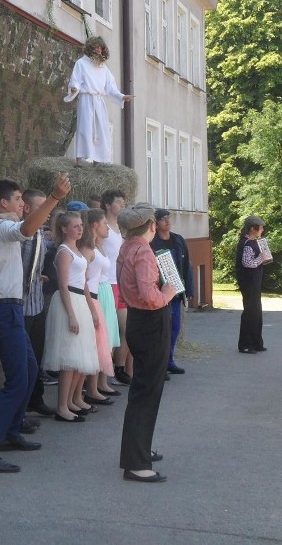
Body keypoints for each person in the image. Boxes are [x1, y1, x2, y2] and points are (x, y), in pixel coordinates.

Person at [0, 175, 71, 473]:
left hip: (8, 307)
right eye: (17, 200)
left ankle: (10, 433)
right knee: (15, 381)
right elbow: (27, 228)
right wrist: (54, 196)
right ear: (4, 203)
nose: (22, 204)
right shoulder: (1, 227)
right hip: (4, 309)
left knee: (26, 371)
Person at [116, 203, 177, 483]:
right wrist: (167, 292)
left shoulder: (127, 246)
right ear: (151, 225)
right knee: (146, 392)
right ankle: (136, 463)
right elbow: (150, 295)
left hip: (139, 320)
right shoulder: (142, 250)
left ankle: (139, 451)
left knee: (145, 389)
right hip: (150, 320)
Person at [43, 210, 101, 421]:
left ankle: (71, 401)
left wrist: (92, 311)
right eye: (75, 226)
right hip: (69, 302)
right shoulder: (64, 251)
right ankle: (62, 406)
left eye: (80, 226)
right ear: (64, 228)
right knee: (69, 356)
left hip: (80, 301)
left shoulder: (76, 250)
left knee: (80, 355)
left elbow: (83, 283)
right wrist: (72, 315)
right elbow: (63, 284)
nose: (79, 229)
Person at [64, 36, 132, 167]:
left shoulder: (104, 68)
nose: (99, 51)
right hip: (86, 100)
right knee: (85, 129)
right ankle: (79, 161)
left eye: (101, 48)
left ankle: (98, 161)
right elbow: (76, 80)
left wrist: (122, 96)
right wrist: (74, 89)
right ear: (91, 48)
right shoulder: (81, 63)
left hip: (99, 102)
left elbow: (111, 88)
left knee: (101, 130)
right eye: (97, 48)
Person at [78, 208, 117, 404]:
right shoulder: (87, 249)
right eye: (104, 223)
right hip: (94, 295)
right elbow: (82, 279)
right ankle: (91, 388)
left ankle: (97, 385)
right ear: (94, 225)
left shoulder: (97, 246)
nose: (107, 227)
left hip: (103, 292)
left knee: (103, 342)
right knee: (96, 343)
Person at [20, 189, 54, 418]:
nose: (48, 211)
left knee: (37, 355)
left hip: (36, 302)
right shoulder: (19, 233)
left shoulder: (42, 234)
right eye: (43, 207)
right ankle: (19, 409)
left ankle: (35, 398)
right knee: (22, 360)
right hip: (19, 305)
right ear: (27, 208)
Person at [150, 209, 194, 374]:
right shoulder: (152, 242)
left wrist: (188, 289)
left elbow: (186, 266)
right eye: (163, 219)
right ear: (156, 223)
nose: (167, 221)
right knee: (162, 329)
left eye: (169, 218)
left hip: (176, 292)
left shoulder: (178, 240)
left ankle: (169, 360)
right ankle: (159, 366)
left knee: (174, 327)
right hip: (159, 292)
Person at [100, 189, 131, 387]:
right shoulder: (104, 228)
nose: (122, 206)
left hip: (120, 282)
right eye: (119, 202)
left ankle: (119, 367)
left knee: (127, 328)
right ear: (108, 205)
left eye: (123, 203)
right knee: (110, 330)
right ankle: (106, 371)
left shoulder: (121, 228)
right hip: (107, 282)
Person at [235, 216, 271, 354]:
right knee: (250, 312)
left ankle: (256, 343)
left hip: (254, 281)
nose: (262, 230)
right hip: (248, 282)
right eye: (260, 227)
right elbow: (247, 263)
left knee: (256, 311)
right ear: (252, 229)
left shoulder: (254, 242)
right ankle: (246, 344)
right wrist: (261, 257)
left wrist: (265, 257)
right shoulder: (247, 244)